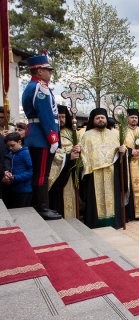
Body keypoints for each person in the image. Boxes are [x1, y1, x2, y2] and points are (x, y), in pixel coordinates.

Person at [21, 54, 62, 220]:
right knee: (41, 174)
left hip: (36, 134)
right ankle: (42, 208)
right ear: (39, 70)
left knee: (40, 173)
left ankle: (41, 206)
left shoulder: (32, 86)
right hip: (42, 136)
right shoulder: (40, 87)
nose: (50, 73)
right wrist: (53, 137)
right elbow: (46, 115)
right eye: (48, 70)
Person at [80, 108, 127, 228]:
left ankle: (114, 223)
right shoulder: (87, 136)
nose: (100, 120)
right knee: (95, 201)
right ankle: (95, 224)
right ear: (93, 120)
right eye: (97, 118)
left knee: (113, 199)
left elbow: (119, 153)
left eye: (102, 117)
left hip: (111, 173)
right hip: (93, 174)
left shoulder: (114, 135)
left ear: (106, 119)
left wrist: (123, 151)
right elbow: (83, 155)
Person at [48, 105, 80, 218]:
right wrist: (67, 157)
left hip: (70, 172)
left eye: (63, 117)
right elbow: (50, 153)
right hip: (55, 174)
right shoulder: (50, 132)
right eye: (58, 117)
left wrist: (78, 151)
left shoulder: (72, 132)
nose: (61, 119)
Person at [2, 132, 33, 208]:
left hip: (25, 190)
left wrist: (15, 177)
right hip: (14, 189)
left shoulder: (26, 153)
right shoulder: (11, 153)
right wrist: (6, 173)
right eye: (8, 146)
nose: (10, 148)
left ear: (19, 142)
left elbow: (32, 171)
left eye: (12, 145)